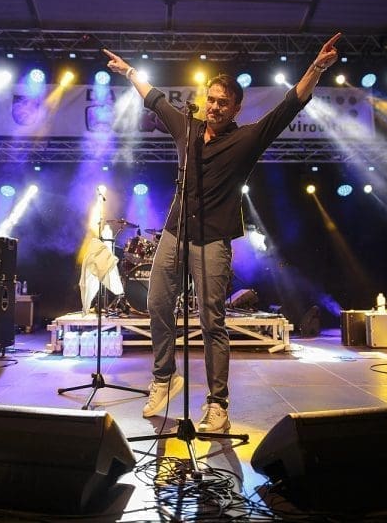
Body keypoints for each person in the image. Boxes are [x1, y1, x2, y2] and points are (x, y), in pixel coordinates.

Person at [104, 31, 342, 432]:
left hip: (213, 239)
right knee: (157, 304)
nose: (214, 107)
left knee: (211, 321)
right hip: (175, 232)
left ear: (235, 109)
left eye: (222, 103)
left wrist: (316, 68)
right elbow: (155, 98)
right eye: (211, 100)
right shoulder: (187, 129)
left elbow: (289, 106)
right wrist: (129, 72)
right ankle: (164, 378)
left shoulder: (247, 139)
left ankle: (217, 404)